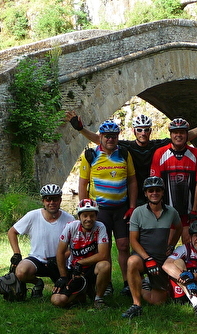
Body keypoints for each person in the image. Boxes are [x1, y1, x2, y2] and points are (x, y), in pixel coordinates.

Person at [66, 108, 197, 206]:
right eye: (139, 130)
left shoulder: (157, 145)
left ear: (150, 131)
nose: (143, 133)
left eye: (146, 130)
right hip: (133, 195)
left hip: (154, 193)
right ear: (134, 131)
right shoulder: (126, 147)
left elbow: (183, 136)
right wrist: (80, 129)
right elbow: (102, 140)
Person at [78, 120, 137, 295]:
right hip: (100, 209)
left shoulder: (124, 154)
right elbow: (83, 184)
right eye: (107, 136)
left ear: (117, 137)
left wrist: (132, 206)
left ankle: (127, 283)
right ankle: (107, 282)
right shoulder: (90, 155)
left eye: (114, 136)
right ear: (100, 137)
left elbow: (132, 180)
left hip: (121, 208)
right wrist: (85, 209)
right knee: (104, 246)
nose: (110, 139)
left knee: (124, 245)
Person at [121, 176, 182, 318]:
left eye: (157, 190)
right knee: (132, 262)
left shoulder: (171, 212)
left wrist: (172, 244)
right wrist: (147, 258)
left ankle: (142, 285)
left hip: (161, 258)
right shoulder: (138, 212)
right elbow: (133, 241)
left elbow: (179, 228)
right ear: (145, 193)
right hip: (143, 258)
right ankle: (136, 304)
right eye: (150, 191)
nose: (154, 193)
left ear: (162, 192)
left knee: (158, 301)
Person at [6, 184, 74, 297]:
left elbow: (74, 246)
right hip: (37, 259)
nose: (51, 202)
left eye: (55, 199)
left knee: (67, 293)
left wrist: (61, 257)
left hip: (59, 262)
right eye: (48, 199)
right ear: (43, 201)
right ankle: (37, 283)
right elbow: (12, 232)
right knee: (21, 271)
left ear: (60, 200)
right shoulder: (33, 215)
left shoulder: (70, 219)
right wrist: (17, 253)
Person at [150, 118, 197, 244]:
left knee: (188, 245)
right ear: (170, 134)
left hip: (187, 211)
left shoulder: (195, 154)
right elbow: (155, 185)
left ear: (187, 135)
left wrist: (194, 210)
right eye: (175, 132)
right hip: (166, 210)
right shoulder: (160, 153)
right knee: (166, 245)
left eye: (182, 132)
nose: (178, 135)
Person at [51, 199, 111, 309]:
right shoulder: (70, 227)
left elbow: (103, 255)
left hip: (91, 269)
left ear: (96, 216)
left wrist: (80, 263)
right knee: (57, 301)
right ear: (79, 217)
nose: (89, 219)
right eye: (85, 216)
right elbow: (60, 252)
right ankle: (82, 293)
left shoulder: (100, 227)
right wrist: (63, 277)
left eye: (92, 216)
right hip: (73, 271)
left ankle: (98, 299)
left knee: (105, 265)